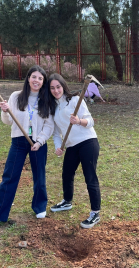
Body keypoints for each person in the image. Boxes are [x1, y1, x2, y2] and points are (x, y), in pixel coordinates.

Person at [0, 65, 54, 226]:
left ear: (43, 81)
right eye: (34, 77)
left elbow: (49, 125)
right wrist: (5, 111)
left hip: (38, 143)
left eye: (40, 78)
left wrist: (39, 142)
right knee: (10, 176)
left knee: (39, 177)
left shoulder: (47, 99)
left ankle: (40, 206)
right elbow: (8, 121)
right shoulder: (16, 96)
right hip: (19, 141)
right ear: (28, 78)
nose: (37, 80)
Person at [48, 73, 101, 229]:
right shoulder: (54, 107)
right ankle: (67, 201)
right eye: (52, 88)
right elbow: (56, 132)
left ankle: (95, 213)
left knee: (90, 177)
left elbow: (90, 121)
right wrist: (58, 146)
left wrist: (78, 121)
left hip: (87, 142)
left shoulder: (75, 100)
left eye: (58, 87)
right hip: (71, 145)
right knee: (67, 173)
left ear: (63, 86)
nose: (56, 90)